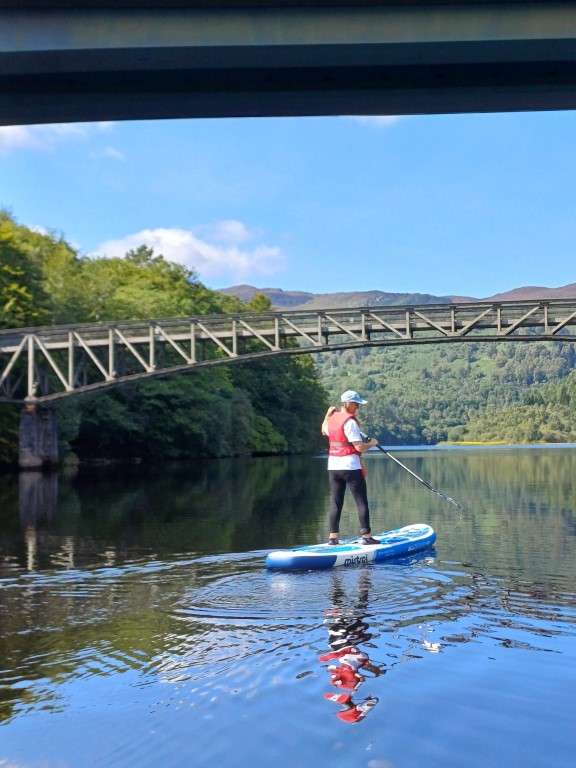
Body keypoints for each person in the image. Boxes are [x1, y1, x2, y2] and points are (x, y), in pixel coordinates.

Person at [321, 390, 379, 545]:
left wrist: (327, 414)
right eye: (356, 403)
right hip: (350, 466)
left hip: (333, 467)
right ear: (346, 403)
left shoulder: (332, 419)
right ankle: (366, 537)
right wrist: (373, 443)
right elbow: (359, 447)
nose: (358, 407)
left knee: (336, 502)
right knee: (361, 501)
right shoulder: (350, 422)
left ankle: (333, 538)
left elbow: (323, 430)